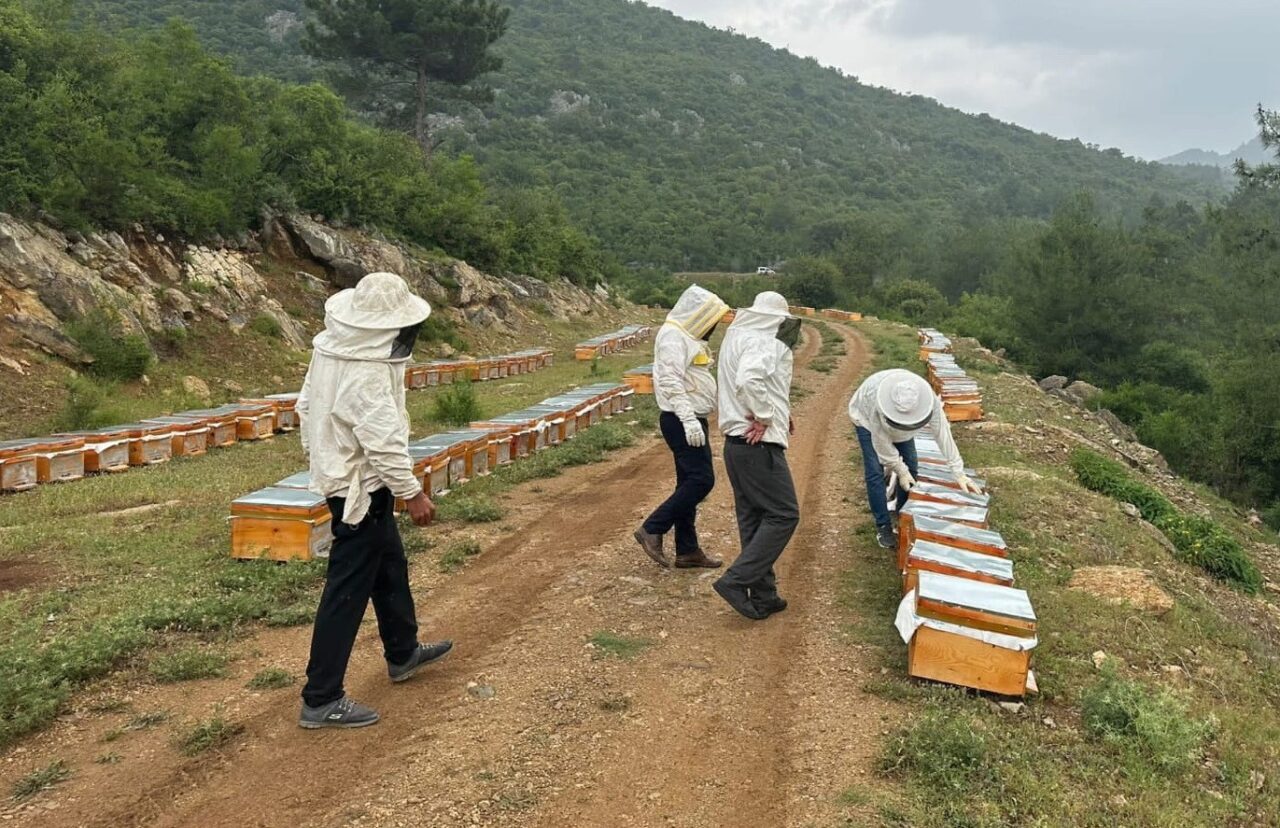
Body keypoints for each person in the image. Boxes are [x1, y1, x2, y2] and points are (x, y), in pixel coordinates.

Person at [296, 272, 453, 730]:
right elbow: (383, 443)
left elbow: (305, 407)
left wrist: (323, 458)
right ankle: (321, 697)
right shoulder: (365, 371)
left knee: (389, 566)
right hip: (358, 489)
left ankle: (403, 652)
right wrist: (413, 493)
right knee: (346, 591)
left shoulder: (329, 348)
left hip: (348, 478)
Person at [713, 292, 802, 620]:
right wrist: (765, 417)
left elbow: (763, 383)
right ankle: (736, 582)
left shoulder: (737, 338)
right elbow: (750, 380)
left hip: (735, 445)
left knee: (753, 517)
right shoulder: (766, 341)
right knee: (784, 514)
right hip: (757, 445)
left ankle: (764, 595)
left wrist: (780, 411)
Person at [634, 284, 731, 570]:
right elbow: (670, 381)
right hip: (680, 419)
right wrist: (689, 419)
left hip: (688, 418)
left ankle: (687, 550)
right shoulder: (673, 337)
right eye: (710, 320)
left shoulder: (685, 337)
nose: (712, 327)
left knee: (687, 482)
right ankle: (653, 527)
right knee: (702, 480)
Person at [848, 368, 982, 550]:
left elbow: (943, 434)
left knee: (912, 466)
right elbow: (882, 447)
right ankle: (883, 526)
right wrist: (900, 470)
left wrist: (958, 472)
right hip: (866, 421)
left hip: (900, 428)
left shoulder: (929, 403)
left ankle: (904, 513)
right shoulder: (876, 405)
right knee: (874, 471)